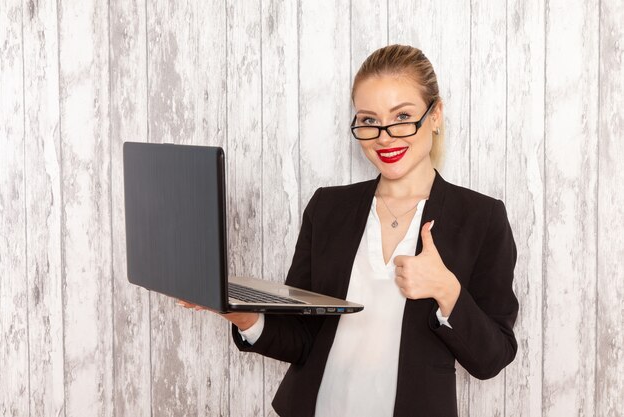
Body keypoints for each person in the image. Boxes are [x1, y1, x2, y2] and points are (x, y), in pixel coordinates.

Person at [180, 44, 518, 417]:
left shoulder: (481, 217)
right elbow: (302, 339)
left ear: (435, 115)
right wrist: (241, 314)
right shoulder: (327, 208)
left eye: (402, 116)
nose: (384, 137)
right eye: (369, 120)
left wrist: (445, 288)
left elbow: (493, 359)